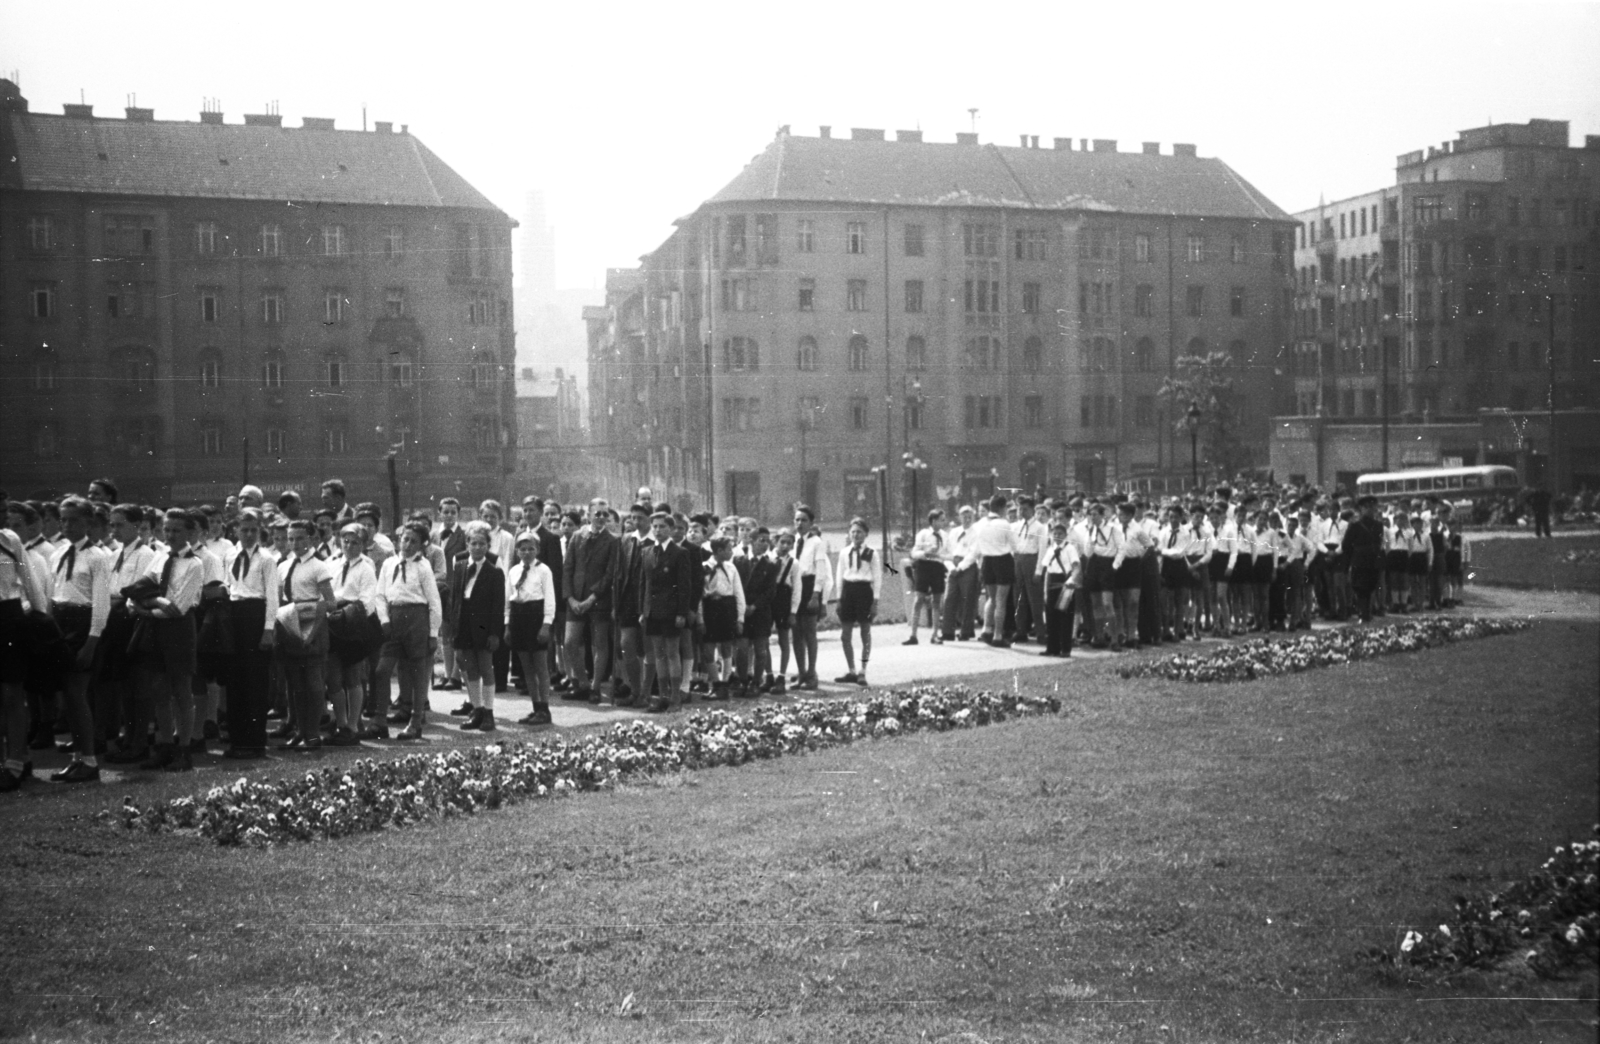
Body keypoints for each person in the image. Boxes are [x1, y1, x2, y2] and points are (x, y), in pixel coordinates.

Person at [131, 509, 206, 772]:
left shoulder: (195, 564)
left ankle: (183, 750)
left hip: (179, 630)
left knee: (181, 690)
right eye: (167, 529)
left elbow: (179, 608)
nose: (171, 535)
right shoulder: (159, 557)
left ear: (188, 533)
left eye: (177, 530)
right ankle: (164, 746)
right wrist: (157, 600)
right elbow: (134, 592)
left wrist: (146, 607)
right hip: (155, 629)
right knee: (159, 688)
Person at [48, 497, 110, 782]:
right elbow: (54, 593)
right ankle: (77, 758)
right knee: (67, 698)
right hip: (60, 624)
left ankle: (89, 760)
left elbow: (100, 604)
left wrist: (92, 641)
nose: (67, 525)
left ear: (88, 523)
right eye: (63, 519)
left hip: (83, 625)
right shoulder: (58, 553)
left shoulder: (97, 556)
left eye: (74, 520)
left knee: (76, 694)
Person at [1, 488, 52, 791]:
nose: (3, 515)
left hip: (8, 618)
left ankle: (17, 761)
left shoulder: (10, 540)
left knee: (12, 693)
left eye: (4, 509)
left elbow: (31, 584)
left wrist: (41, 619)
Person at [374, 522, 442, 740]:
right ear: (398, 539)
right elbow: (380, 595)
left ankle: (415, 721)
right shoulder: (388, 564)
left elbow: (434, 601)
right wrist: (384, 619)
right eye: (405, 539)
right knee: (382, 670)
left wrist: (433, 633)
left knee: (417, 673)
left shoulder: (423, 567)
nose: (408, 544)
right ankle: (379, 722)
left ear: (423, 545)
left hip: (417, 620)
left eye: (414, 541)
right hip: (394, 619)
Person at [220, 507, 278, 759]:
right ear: (236, 530)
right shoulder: (230, 555)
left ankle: (255, 742)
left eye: (254, 530)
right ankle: (237, 740)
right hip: (235, 616)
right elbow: (228, 585)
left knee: (255, 682)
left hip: (256, 616)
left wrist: (268, 630)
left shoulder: (266, 559)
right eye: (244, 530)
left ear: (260, 531)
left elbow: (273, 598)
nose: (249, 534)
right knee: (235, 681)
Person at [275, 519, 335, 750]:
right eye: (291, 538)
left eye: (300, 538)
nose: (295, 543)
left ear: (310, 539)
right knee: (295, 685)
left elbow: (331, 603)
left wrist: (305, 610)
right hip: (290, 626)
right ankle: (300, 731)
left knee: (313, 683)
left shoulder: (318, 566)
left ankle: (313, 734)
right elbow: (281, 599)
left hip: (313, 627)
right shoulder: (283, 566)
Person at [450, 521, 506, 732]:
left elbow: (498, 605)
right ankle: (477, 710)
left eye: (482, 544)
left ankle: (489, 713)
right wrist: (453, 628)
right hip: (463, 623)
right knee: (469, 667)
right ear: (467, 544)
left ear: (488, 546)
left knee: (485, 667)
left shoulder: (494, 572)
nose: (477, 547)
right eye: (473, 543)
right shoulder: (460, 567)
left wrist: (494, 633)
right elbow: (455, 599)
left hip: (483, 626)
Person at [325, 523, 377, 746]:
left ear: (363, 545)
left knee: (353, 676)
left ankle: (353, 726)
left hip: (352, 623)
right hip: (332, 621)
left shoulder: (366, 568)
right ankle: (341, 724)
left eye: (355, 542)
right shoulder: (332, 564)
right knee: (333, 677)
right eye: (345, 541)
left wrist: (347, 613)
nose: (349, 545)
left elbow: (368, 601)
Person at [640, 511, 696, 712]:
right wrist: (643, 610)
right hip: (653, 612)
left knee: (672, 653)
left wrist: (682, 612)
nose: (658, 530)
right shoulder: (646, 551)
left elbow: (685, 586)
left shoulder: (680, 553)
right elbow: (643, 584)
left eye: (662, 526)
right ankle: (662, 696)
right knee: (659, 654)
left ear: (671, 529)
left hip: (672, 612)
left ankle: (675, 698)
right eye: (654, 526)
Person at [563, 505, 620, 704]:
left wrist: (592, 598)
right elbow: (568, 568)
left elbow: (610, 574)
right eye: (598, 513)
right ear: (588, 515)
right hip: (575, 598)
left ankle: (595, 686)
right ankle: (583, 683)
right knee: (570, 642)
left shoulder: (613, 541)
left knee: (599, 644)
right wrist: (570, 598)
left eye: (606, 514)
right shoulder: (577, 537)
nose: (602, 517)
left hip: (598, 599)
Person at [505, 532, 556, 725]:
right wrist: (507, 626)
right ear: (517, 551)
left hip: (536, 617)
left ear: (538, 550)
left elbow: (549, 599)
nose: (527, 552)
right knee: (526, 666)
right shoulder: (513, 572)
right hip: (519, 617)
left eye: (531, 549)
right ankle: (535, 707)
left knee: (540, 666)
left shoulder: (544, 571)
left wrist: (546, 625)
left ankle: (545, 708)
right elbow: (508, 601)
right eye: (523, 549)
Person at [964, 495, 1021, 647]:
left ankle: (986, 630)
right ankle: (997, 635)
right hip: (1002, 560)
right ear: (1002, 508)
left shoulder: (980, 524)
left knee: (991, 598)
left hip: (987, 561)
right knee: (1001, 601)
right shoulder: (1004, 523)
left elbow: (976, 548)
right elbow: (1016, 547)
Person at [830, 518, 880, 686]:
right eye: (853, 532)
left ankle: (862, 671)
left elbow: (878, 577)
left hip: (864, 591)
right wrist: (839, 598)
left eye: (859, 531)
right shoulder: (844, 552)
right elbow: (839, 575)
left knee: (865, 632)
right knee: (845, 635)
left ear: (865, 534)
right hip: (848, 592)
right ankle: (851, 670)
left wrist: (876, 600)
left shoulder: (872, 553)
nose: (856, 534)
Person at [790, 505, 831, 691]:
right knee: (796, 633)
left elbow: (821, 571)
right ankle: (801, 673)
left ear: (811, 523)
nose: (800, 523)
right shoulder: (793, 541)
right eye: (797, 520)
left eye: (804, 520)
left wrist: (816, 595)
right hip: (794, 587)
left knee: (809, 632)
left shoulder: (817, 542)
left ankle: (812, 674)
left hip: (809, 587)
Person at [700, 536, 746, 699]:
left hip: (727, 608)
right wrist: (700, 619)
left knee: (727, 647)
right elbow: (699, 596)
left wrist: (740, 618)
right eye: (728, 549)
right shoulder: (704, 567)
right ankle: (715, 683)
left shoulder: (731, 568)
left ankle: (725, 684)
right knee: (708, 649)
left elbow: (739, 593)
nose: (731, 552)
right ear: (719, 551)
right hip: (710, 608)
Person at [433, 497, 468, 694]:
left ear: (458, 514)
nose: (448, 515)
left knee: (455, 632)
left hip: (456, 588)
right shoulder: (432, 535)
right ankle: (447, 675)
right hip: (439, 589)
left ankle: (456, 676)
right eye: (445, 512)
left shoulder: (462, 536)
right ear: (439, 513)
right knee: (444, 632)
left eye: (452, 512)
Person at [1037, 520, 1081, 658]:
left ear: (1065, 535)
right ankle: (1052, 648)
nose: (1057, 536)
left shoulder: (1070, 548)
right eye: (1054, 533)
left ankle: (1065, 649)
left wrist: (1071, 580)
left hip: (1065, 583)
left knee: (1065, 617)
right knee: (1051, 617)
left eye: (1060, 533)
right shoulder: (1050, 549)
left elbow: (1076, 567)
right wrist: (1045, 589)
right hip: (1051, 583)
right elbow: (1047, 569)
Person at [1342, 496, 1385, 623]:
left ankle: (1368, 612)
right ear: (1361, 509)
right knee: (1360, 587)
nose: (1371, 510)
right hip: (1359, 560)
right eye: (1367, 507)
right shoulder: (1355, 525)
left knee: (1371, 586)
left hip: (1373, 560)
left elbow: (1380, 543)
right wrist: (1351, 559)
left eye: (1373, 507)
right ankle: (1363, 613)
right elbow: (1346, 545)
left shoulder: (1378, 525)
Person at [940, 505, 980, 642]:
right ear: (959, 517)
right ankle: (947, 632)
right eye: (964, 516)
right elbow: (947, 552)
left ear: (973, 517)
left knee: (967, 599)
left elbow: (973, 553)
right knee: (949, 599)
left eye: (970, 516)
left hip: (967, 566)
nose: (967, 519)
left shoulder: (976, 533)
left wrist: (961, 567)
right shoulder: (954, 532)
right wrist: (951, 567)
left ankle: (966, 631)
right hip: (953, 565)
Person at [908, 509, 948, 646]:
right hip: (924, 567)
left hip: (937, 567)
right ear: (933, 521)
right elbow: (914, 552)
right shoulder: (923, 534)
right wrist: (925, 552)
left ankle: (935, 634)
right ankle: (913, 635)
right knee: (919, 598)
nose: (944, 522)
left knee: (936, 600)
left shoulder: (945, 536)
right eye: (941, 520)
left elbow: (949, 554)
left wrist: (940, 556)